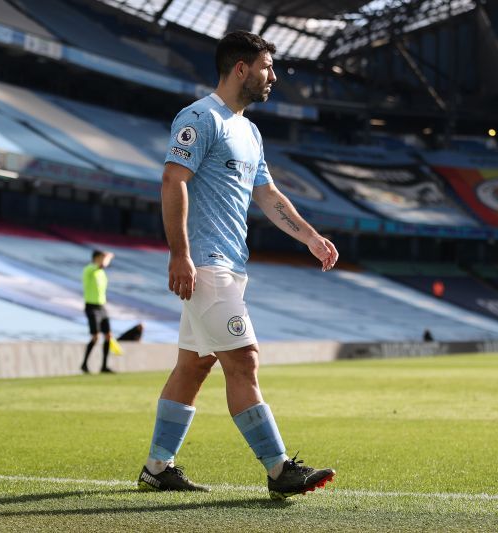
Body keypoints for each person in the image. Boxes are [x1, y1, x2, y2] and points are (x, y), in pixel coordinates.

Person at [137, 30, 339, 500]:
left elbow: (267, 195)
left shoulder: (249, 131)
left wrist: (310, 237)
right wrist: (180, 253)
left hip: (229, 265)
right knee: (244, 360)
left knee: (194, 366)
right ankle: (279, 468)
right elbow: (173, 181)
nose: (274, 77)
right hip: (206, 265)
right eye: (268, 68)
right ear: (241, 68)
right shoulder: (199, 118)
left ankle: (156, 467)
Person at [81, 250, 115, 374]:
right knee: (95, 337)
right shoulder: (90, 269)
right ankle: (84, 364)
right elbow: (102, 265)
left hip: (102, 307)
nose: (103, 260)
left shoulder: (101, 273)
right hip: (91, 307)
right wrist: (109, 257)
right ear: (96, 258)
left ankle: (104, 366)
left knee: (108, 336)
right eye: (102, 257)